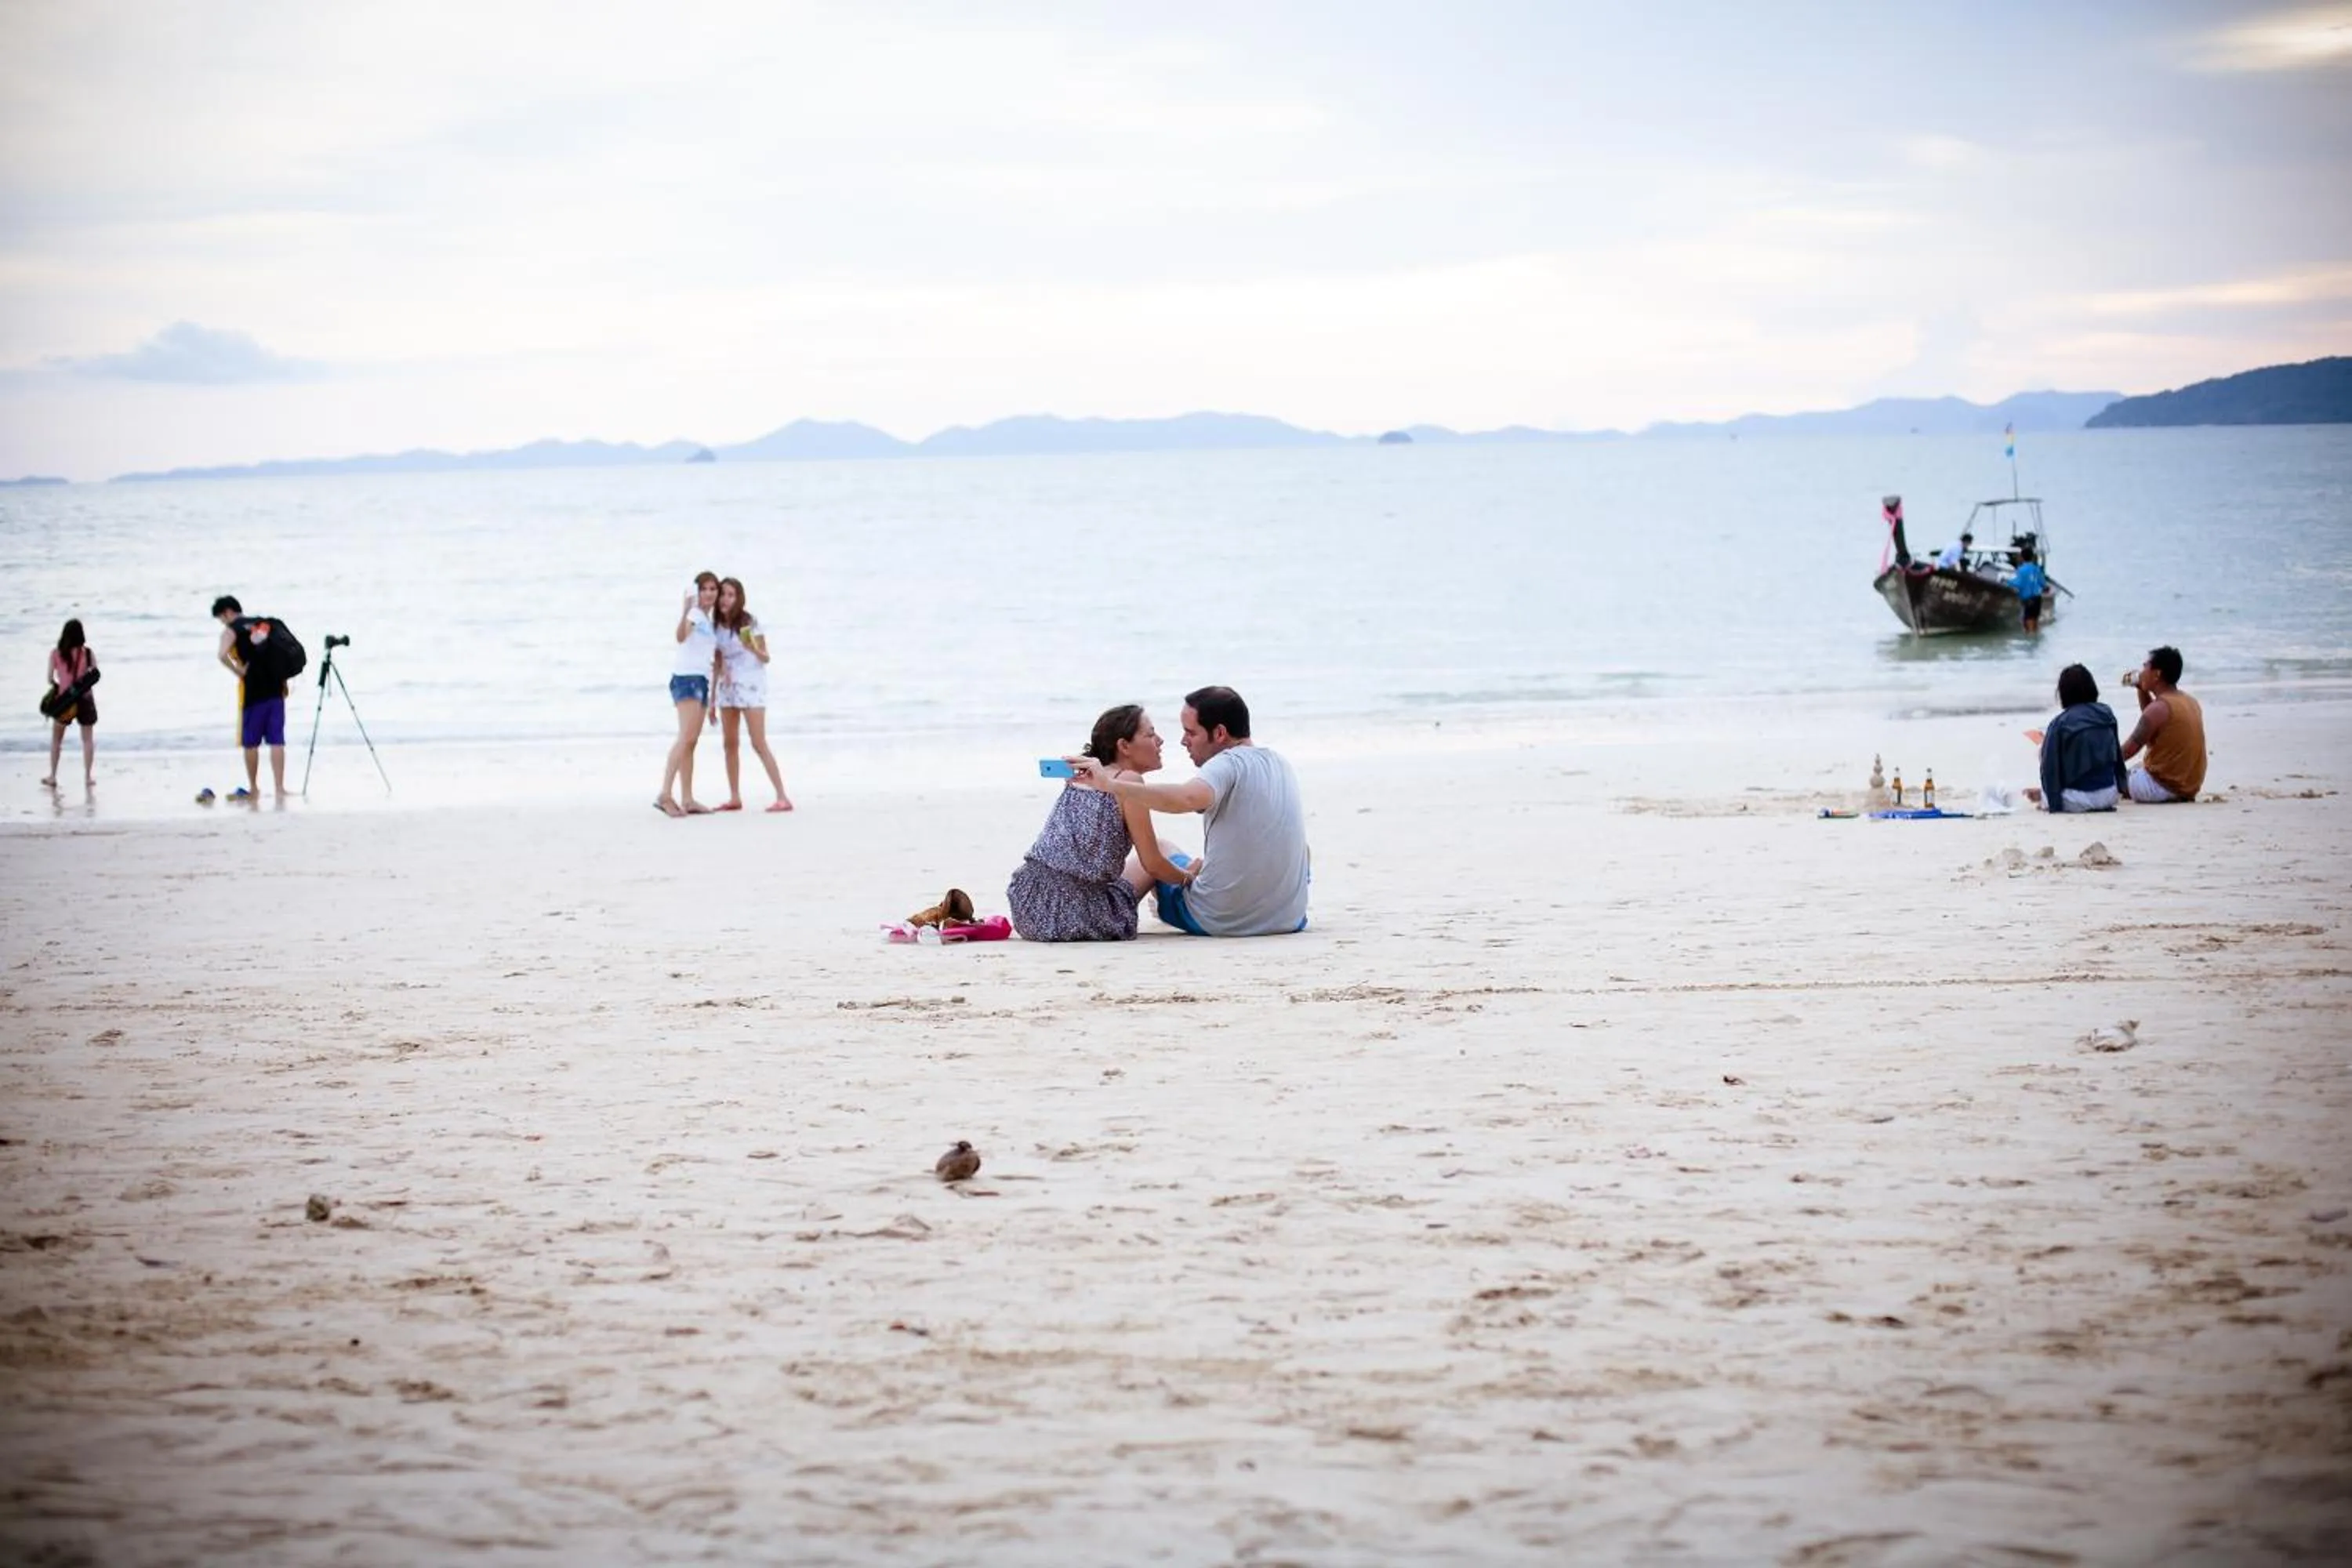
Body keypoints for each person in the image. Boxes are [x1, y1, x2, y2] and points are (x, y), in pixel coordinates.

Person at [1069, 685, 1309, 938]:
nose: (1183, 741)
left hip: (1220, 919)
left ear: (1219, 733)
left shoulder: (1226, 763)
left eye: (1190, 733)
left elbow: (1187, 798)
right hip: (1289, 918)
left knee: (1160, 850)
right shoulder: (1281, 763)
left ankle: (1100, 911)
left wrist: (1112, 785)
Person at [1008, 705, 1195, 942]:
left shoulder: (1081, 778)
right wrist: (1188, 878)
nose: (1160, 741)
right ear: (1124, 746)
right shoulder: (1128, 781)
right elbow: (1153, 864)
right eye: (1150, 734)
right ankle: (1189, 901)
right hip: (1074, 914)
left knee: (1163, 847)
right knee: (1164, 858)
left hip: (1029, 905)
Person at [711, 577, 793, 813]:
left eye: (730, 595)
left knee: (758, 742)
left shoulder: (749, 622)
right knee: (730, 743)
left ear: (738, 598)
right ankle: (735, 796)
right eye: (723, 594)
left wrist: (752, 648)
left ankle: (782, 796)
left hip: (751, 685)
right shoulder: (715, 625)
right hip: (727, 688)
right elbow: (716, 662)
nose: (725, 599)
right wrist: (712, 701)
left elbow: (766, 657)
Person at [656, 572, 722, 817]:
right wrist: (685, 610)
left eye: (713, 589)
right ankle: (665, 794)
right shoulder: (695, 615)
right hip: (687, 679)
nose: (709, 593)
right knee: (684, 738)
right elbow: (681, 637)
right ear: (698, 592)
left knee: (691, 742)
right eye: (705, 589)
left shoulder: (708, 619)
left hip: (701, 680)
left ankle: (688, 798)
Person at [212, 594, 289, 799]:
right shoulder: (262, 624)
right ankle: (280, 788)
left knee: (251, 743)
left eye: (221, 618)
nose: (222, 622)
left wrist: (239, 671)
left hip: (253, 691)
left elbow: (221, 655)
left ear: (227, 612)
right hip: (275, 688)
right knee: (277, 741)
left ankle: (254, 788)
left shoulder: (232, 630)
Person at [2024, 665, 2123, 812]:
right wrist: (2122, 786)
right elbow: (2118, 758)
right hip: (2109, 795)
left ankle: (2044, 795)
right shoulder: (2107, 714)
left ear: (2063, 693)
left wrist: (2052, 804)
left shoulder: (2059, 724)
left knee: (2043, 750)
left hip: (2078, 799)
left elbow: (2049, 768)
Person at [2121, 644, 2207, 804]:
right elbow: (2154, 725)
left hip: (2161, 787)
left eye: (2146, 666)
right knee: (2138, 768)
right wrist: (2142, 689)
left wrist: (2100, 764)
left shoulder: (2159, 708)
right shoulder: (2189, 701)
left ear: (2157, 674)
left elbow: (2129, 750)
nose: (2142, 671)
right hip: (2188, 787)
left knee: (2115, 777)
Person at [42, 618, 98, 789]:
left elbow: (50, 678)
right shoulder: (88, 653)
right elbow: (94, 673)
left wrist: (60, 684)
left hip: (66, 702)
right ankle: (88, 777)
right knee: (87, 740)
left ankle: (53, 776)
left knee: (57, 740)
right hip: (85, 700)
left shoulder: (56, 653)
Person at [2013, 549, 2047, 632]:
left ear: (2022, 558)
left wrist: (2008, 582)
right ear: (2032, 558)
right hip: (2037, 598)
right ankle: (2036, 641)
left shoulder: (2021, 570)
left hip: (2028, 599)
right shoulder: (2037, 569)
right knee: (2035, 622)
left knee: (2028, 623)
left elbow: (2018, 583)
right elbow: (2043, 583)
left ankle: (2030, 642)